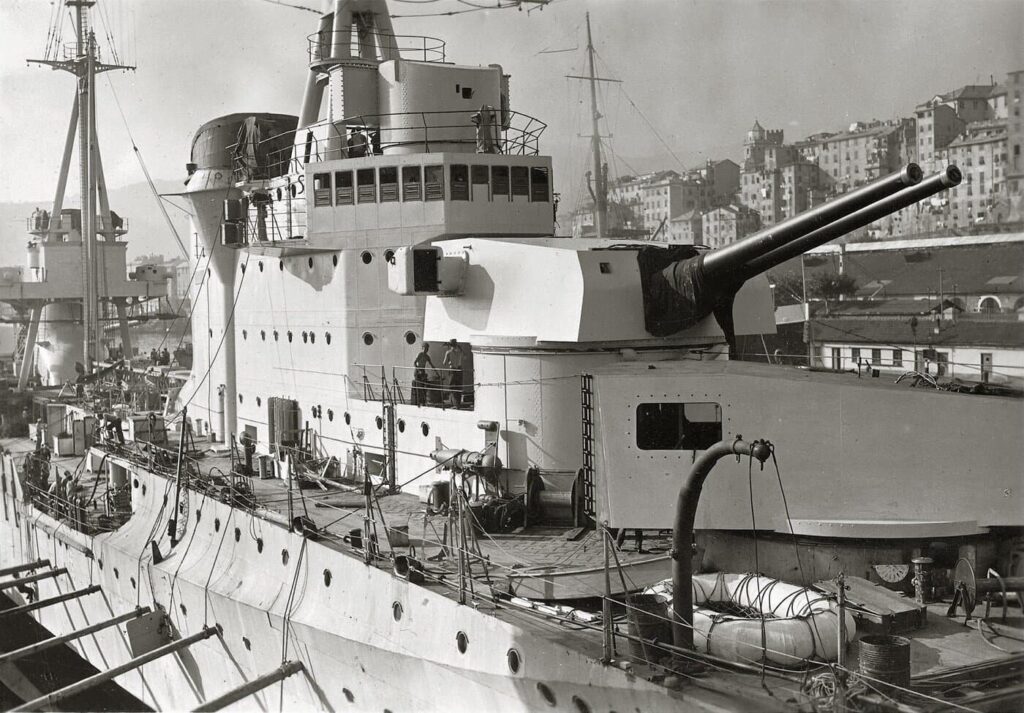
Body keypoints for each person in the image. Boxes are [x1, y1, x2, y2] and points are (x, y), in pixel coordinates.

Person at [442, 339, 464, 408]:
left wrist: (449, 361)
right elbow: (465, 357)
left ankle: (455, 404)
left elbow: (444, 363)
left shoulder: (448, 352)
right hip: (459, 370)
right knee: (459, 386)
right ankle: (458, 404)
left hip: (453, 371)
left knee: (452, 386)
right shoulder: (460, 352)